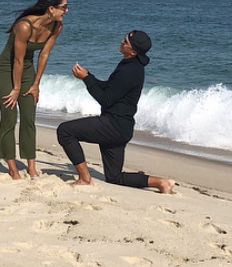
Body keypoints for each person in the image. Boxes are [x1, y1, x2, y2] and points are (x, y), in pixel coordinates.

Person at [57, 30, 175, 194]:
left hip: (113, 125)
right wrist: (88, 75)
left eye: (125, 42)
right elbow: (109, 88)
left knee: (65, 131)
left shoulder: (130, 70)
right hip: (121, 127)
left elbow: (105, 99)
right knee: (114, 177)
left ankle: (85, 179)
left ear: (133, 51)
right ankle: (162, 183)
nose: (121, 41)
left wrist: (86, 79)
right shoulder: (129, 64)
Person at [0, 0, 67, 180]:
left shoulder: (57, 26)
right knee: (9, 116)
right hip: (6, 69)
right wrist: (16, 89)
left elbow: (44, 55)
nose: (66, 11)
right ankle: (12, 168)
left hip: (27, 69)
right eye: (63, 7)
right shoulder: (24, 26)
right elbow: (17, 60)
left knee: (29, 117)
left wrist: (36, 84)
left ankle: (31, 167)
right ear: (51, 8)